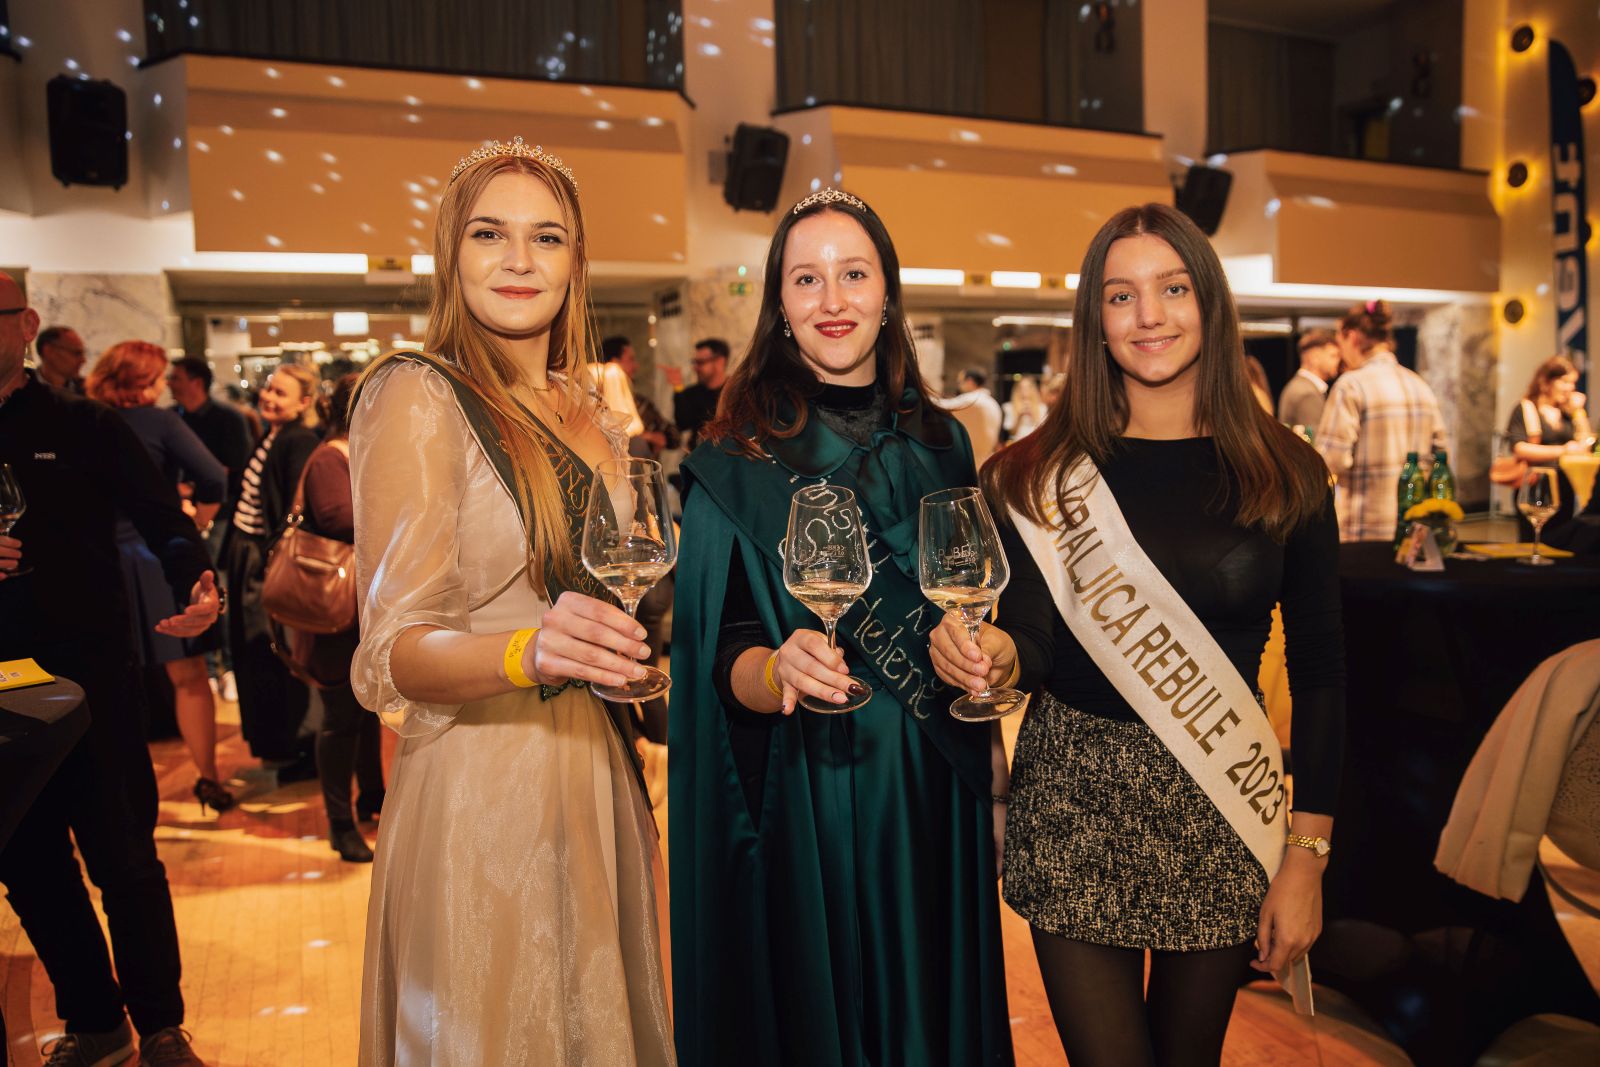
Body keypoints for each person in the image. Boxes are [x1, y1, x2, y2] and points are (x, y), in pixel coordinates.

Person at [933, 203, 1343, 1067]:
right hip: (1074, 796)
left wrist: (1306, 858)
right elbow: (1032, 642)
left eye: (1173, 288)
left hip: (1220, 800)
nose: (1148, 315)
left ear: (1211, 303)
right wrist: (997, 658)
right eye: (1121, 295)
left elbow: (1323, 671)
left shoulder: (1288, 471)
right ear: (1095, 319)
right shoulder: (1032, 475)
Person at [670, 188, 1013, 1067]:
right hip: (806, 791)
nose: (832, 300)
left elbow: (969, 612)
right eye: (806, 279)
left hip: (934, 782)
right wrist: (773, 669)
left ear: (887, 293)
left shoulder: (944, 443)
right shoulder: (736, 456)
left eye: (854, 274)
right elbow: (720, 654)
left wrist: (994, 767)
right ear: (779, 303)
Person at [351, 138, 671, 1064]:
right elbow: (393, 653)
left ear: (576, 262)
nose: (520, 259)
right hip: (483, 784)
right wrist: (525, 651)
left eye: (547, 237)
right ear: (452, 253)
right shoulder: (420, 394)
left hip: (596, 761)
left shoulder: (589, 408)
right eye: (489, 233)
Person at [0, 270, 217, 1067]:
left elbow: (167, 519)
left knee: (125, 856)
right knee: (29, 866)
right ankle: (96, 1023)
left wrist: (197, 581)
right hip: (1, 695)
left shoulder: (84, 423)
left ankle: (160, 1024)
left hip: (92, 676)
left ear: (26, 324)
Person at [86, 341, 236, 813]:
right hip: (158, 558)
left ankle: (115, 793)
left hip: (97, 562)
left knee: (106, 681)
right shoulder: (160, 422)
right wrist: (198, 520)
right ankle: (208, 779)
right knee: (188, 676)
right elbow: (214, 476)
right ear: (146, 380)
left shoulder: (84, 420)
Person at [293, 372, 385, 862]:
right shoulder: (331, 457)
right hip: (334, 609)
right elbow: (337, 517)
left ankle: (372, 797)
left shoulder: (356, 452)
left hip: (357, 606)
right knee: (341, 716)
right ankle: (339, 822)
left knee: (363, 710)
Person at [223, 362, 320, 774]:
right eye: (269, 388)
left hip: (267, 560)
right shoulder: (273, 434)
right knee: (259, 650)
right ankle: (280, 746)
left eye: (281, 393)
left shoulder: (297, 439)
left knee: (273, 650)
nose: (269, 397)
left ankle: (294, 747)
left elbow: (296, 508)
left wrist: (271, 555)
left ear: (304, 402)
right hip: (252, 554)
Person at [1314, 299, 1447, 542]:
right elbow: (1441, 455)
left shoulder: (1351, 386)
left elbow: (1330, 461)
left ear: (1353, 337)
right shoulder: (1420, 386)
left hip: (1363, 529)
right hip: (1413, 530)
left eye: (1340, 342)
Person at [1507, 355, 1595, 539]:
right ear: (1546, 381)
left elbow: (1586, 443)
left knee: (1559, 539)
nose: (1570, 388)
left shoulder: (1566, 413)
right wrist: (1563, 450)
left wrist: (1579, 412)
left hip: (1563, 485)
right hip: (1536, 483)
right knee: (1532, 538)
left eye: (1573, 383)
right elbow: (1519, 448)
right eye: (1564, 382)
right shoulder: (1527, 408)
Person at [602, 335, 677, 458]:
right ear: (614, 363)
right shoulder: (594, 406)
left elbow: (674, 437)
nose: (636, 366)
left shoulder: (640, 404)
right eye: (631, 359)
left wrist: (649, 437)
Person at [671, 336, 730, 451]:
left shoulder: (737, 392)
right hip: (698, 454)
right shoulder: (692, 392)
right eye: (694, 362)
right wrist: (678, 387)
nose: (695, 368)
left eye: (700, 362)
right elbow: (682, 423)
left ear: (720, 362)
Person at [1277, 329, 1339, 433]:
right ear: (1314, 358)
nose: (1338, 361)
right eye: (1333, 355)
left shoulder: (1300, 386)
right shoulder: (1307, 394)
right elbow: (1314, 440)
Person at [941, 366, 1003, 467]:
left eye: (960, 382)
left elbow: (939, 406)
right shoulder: (993, 402)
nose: (959, 386)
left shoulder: (972, 399)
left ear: (970, 382)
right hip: (986, 460)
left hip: (971, 462)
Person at [33, 325, 87, 394]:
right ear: (49, 351)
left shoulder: (89, 391)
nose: (83, 360)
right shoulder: (22, 390)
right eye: (76, 353)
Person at [1002, 375, 1046, 441]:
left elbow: (1043, 430)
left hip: (1035, 441)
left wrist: (1033, 415)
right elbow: (1011, 432)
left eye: (1028, 387)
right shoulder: (1009, 407)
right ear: (1017, 389)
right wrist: (1019, 416)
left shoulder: (1042, 407)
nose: (1024, 390)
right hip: (1017, 442)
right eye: (1021, 387)